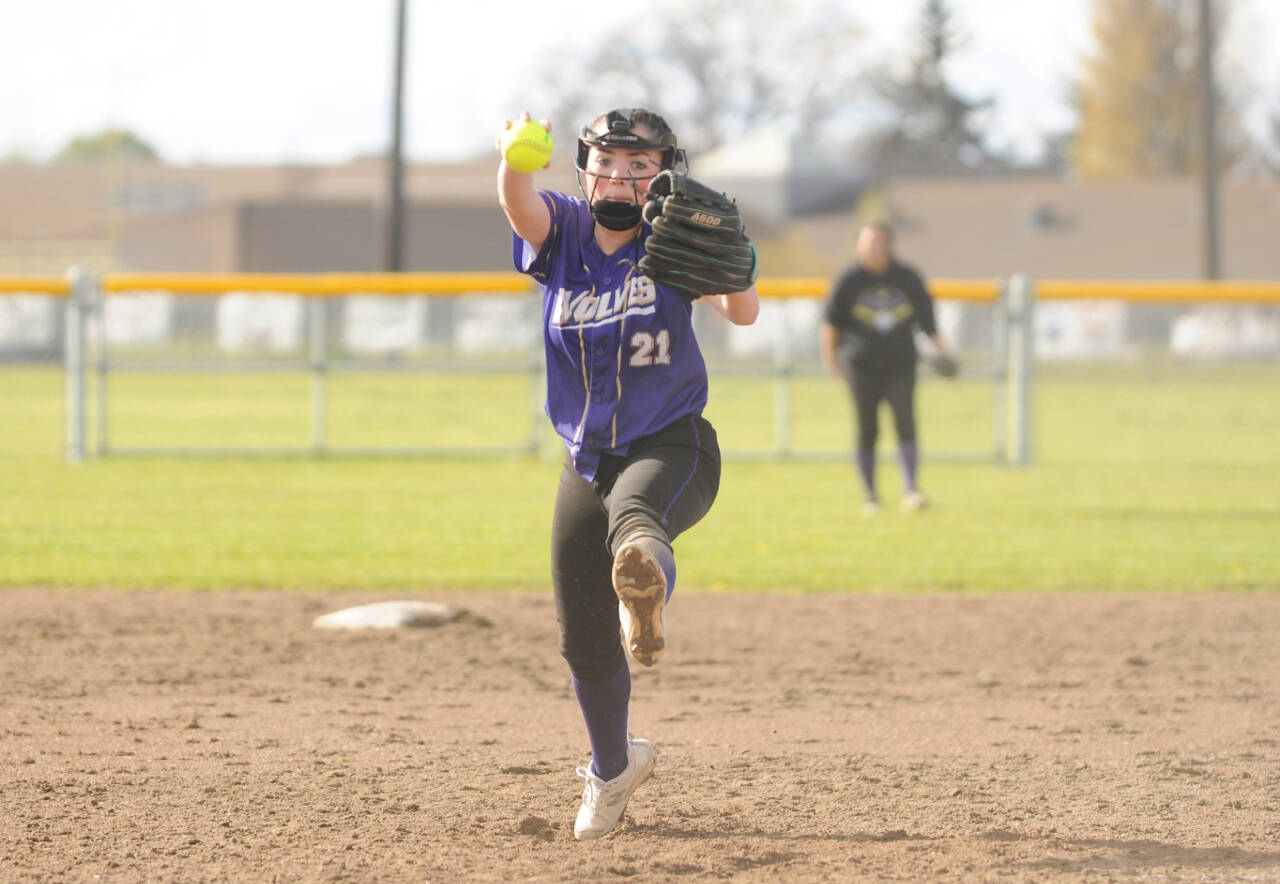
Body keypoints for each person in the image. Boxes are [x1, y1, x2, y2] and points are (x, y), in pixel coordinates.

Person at [496, 107, 759, 840]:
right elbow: (517, 205)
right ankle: (613, 770)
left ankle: (643, 585)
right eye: (608, 162)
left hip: (671, 443)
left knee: (636, 523)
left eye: (640, 166)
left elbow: (743, 312)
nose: (622, 176)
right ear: (583, 170)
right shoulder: (564, 231)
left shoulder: (677, 237)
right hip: (585, 459)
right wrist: (516, 158)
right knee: (581, 637)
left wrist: (736, 257)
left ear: (665, 172)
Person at [818, 221, 952, 513]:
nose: (873, 248)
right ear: (858, 246)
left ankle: (911, 489)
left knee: (905, 421)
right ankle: (870, 495)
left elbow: (928, 320)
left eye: (879, 242)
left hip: (901, 363)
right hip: (861, 365)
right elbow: (831, 323)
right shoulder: (849, 280)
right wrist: (830, 360)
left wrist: (944, 352)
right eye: (867, 242)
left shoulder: (907, 278)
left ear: (890, 245)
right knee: (868, 428)